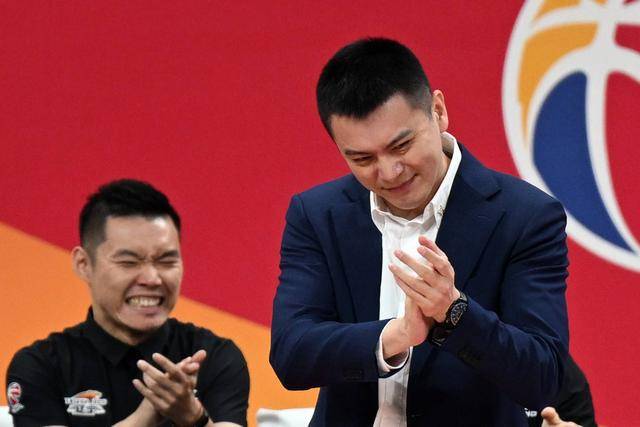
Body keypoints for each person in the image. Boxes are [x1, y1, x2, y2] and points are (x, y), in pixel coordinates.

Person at [270, 38, 570, 426]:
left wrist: (455, 312)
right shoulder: (317, 214)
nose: (389, 172)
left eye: (402, 145)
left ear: (438, 111)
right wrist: (395, 337)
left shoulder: (524, 216)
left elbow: (543, 376)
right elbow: (292, 353)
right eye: (362, 158)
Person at [6, 179, 249, 427]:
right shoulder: (41, 366)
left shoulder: (214, 356)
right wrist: (144, 417)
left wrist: (195, 418)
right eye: (129, 262)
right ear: (84, 264)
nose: (152, 279)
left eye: (166, 261)